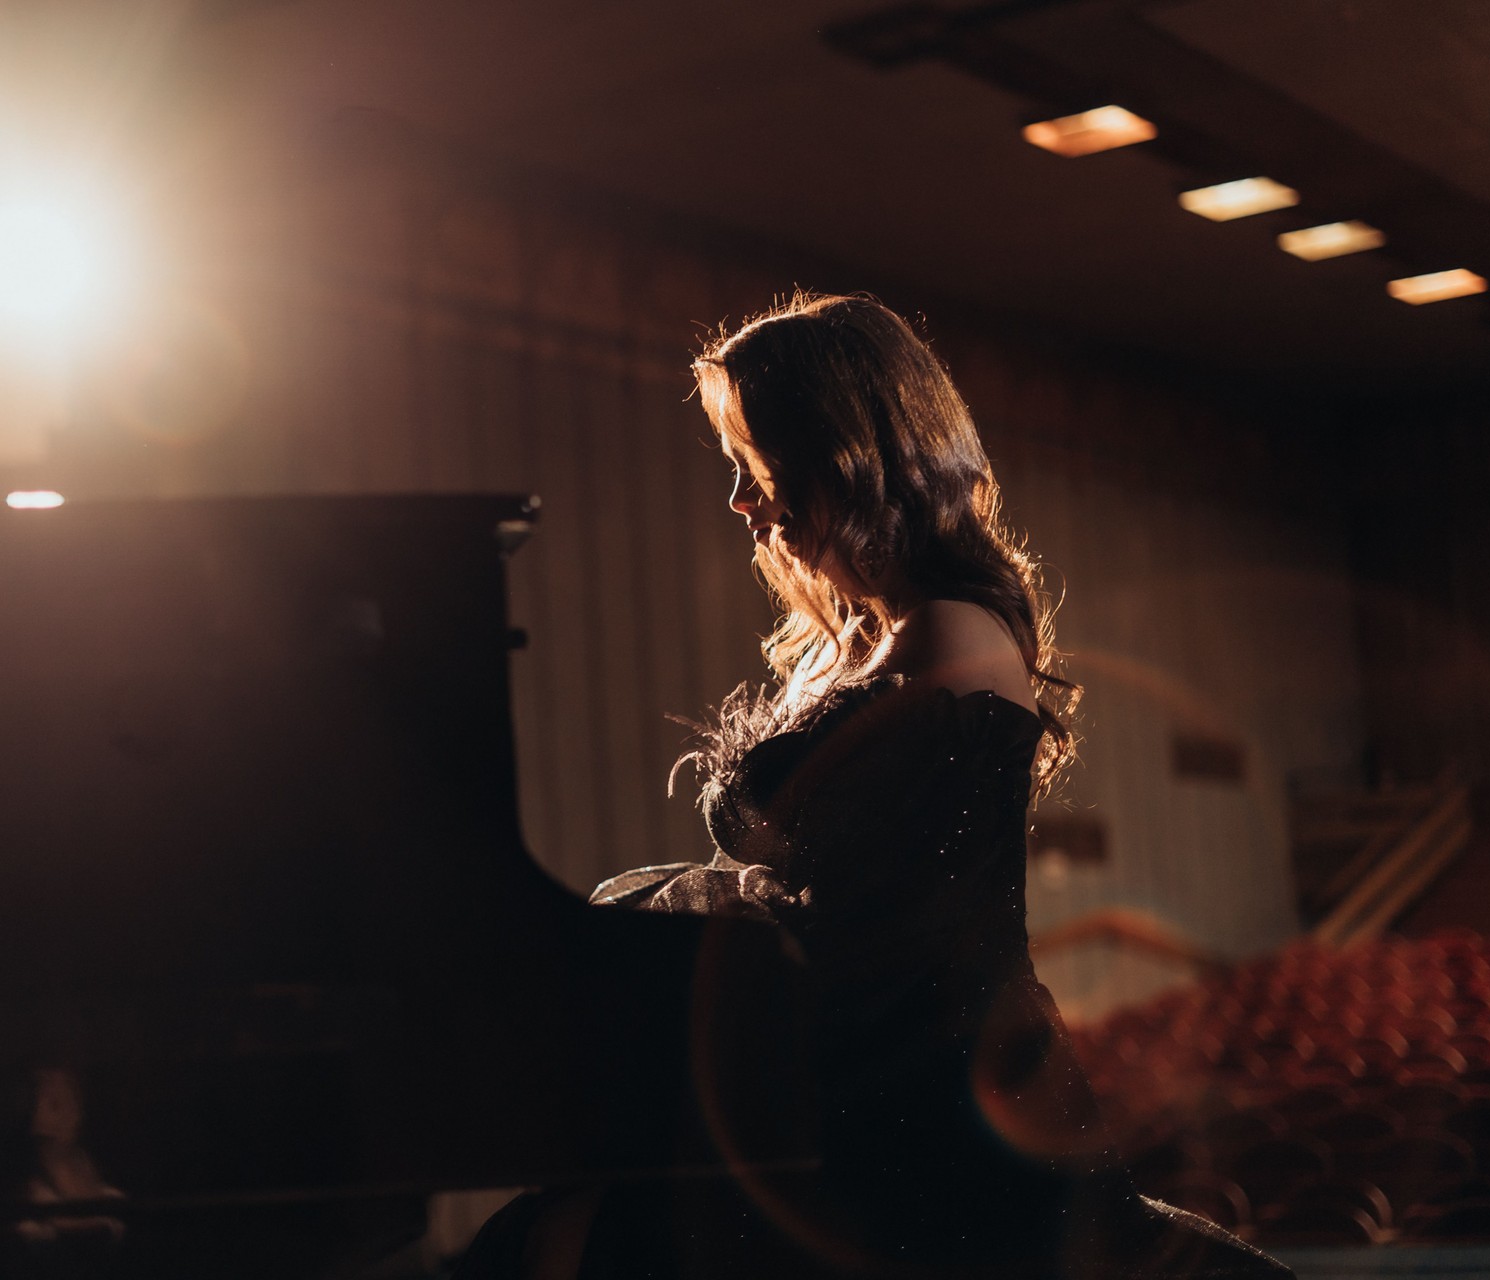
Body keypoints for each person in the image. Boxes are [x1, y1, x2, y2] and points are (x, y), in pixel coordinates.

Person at [457, 293, 1291, 1278]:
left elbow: (876, 914)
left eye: (756, 468)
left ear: (844, 453)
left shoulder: (952, 634)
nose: (740, 500)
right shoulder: (854, 641)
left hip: (930, 1096)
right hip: (843, 1071)